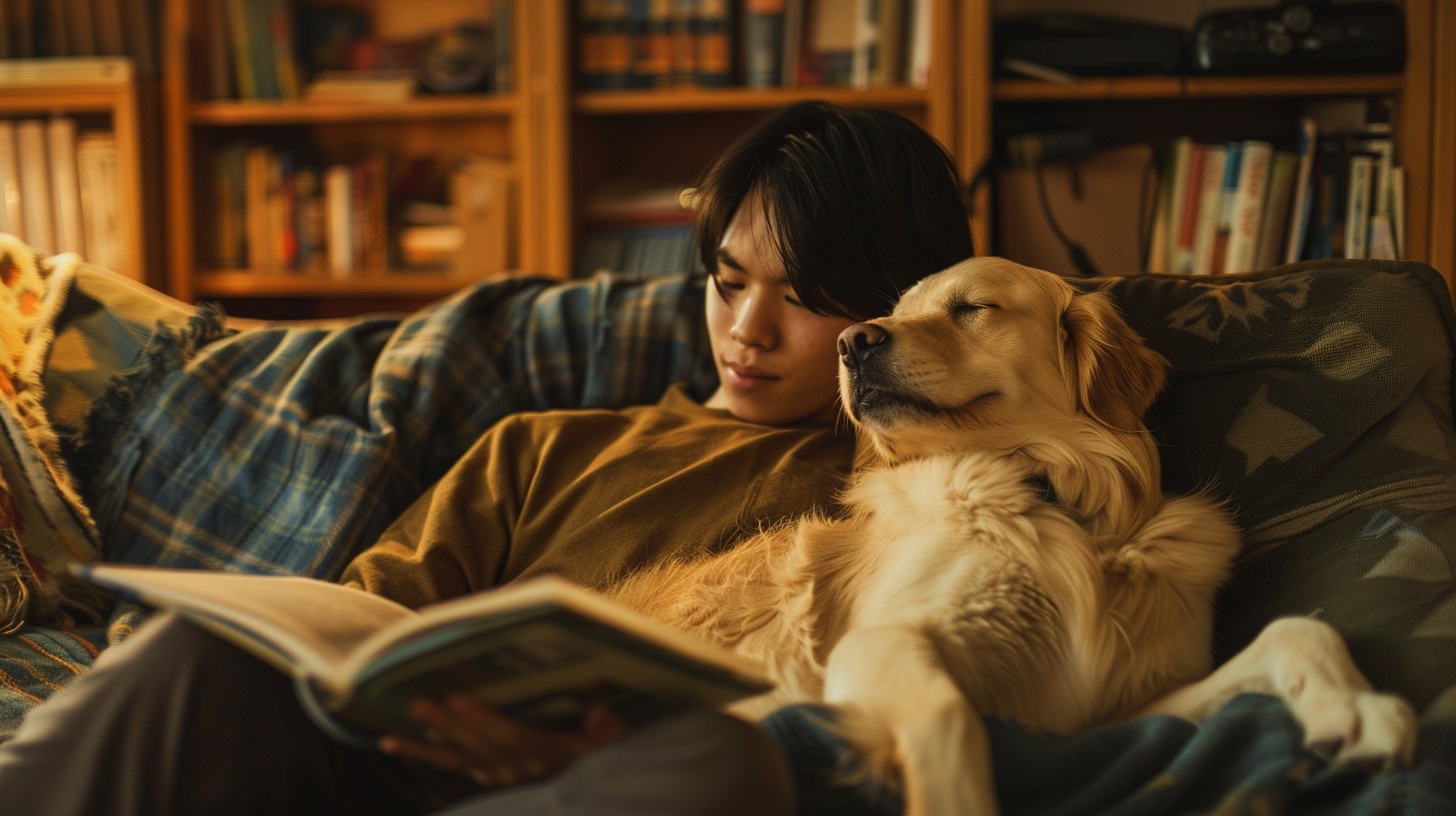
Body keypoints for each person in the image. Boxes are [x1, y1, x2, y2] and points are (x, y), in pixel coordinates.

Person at [0, 100, 974, 816]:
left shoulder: (908, 493)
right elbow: (361, 616)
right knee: (200, 652)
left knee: (720, 769)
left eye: (803, 299)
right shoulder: (545, 446)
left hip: (584, 785)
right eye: (725, 282)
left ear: (893, 308)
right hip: (383, 760)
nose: (748, 330)